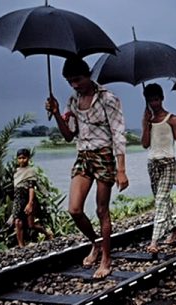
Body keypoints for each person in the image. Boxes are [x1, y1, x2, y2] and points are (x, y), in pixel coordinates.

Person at [45, 57, 129, 279]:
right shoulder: (72, 101)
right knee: (74, 209)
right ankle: (97, 243)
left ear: (88, 75)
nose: (74, 85)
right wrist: (55, 113)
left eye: (77, 79)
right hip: (83, 156)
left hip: (103, 156)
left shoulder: (107, 99)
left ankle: (106, 259)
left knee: (102, 210)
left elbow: (119, 135)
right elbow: (68, 135)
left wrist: (121, 169)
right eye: (69, 81)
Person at [141, 83, 176, 254]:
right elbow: (145, 144)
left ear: (162, 98)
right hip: (152, 163)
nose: (154, 103)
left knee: (161, 199)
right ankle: (175, 230)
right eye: (150, 100)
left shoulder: (172, 119)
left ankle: (154, 241)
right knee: (163, 199)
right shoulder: (148, 119)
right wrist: (146, 124)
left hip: (168, 163)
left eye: (156, 99)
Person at [12, 148, 52, 247]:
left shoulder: (30, 171)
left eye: (24, 158)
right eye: (20, 158)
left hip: (27, 199)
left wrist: (30, 203)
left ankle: (47, 233)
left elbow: (31, 188)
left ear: (28, 158)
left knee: (31, 225)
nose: (22, 160)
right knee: (17, 222)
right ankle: (21, 245)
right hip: (18, 199)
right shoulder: (16, 172)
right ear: (17, 159)